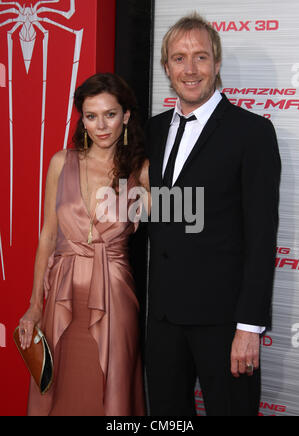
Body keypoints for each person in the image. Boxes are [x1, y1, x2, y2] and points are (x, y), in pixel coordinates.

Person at [145, 13, 281, 416]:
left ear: (217, 64)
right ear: (166, 68)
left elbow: (261, 237)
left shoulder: (252, 132)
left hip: (225, 326)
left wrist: (249, 328)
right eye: (179, 58)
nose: (190, 69)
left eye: (200, 57)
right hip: (164, 323)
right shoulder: (150, 132)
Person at [18, 73, 149, 416]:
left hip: (115, 299)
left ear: (127, 116)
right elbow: (47, 236)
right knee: (58, 390)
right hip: (61, 295)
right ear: (82, 120)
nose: (101, 125)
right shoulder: (61, 163)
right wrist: (34, 304)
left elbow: (176, 227)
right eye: (91, 116)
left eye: (110, 114)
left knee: (109, 392)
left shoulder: (142, 171)